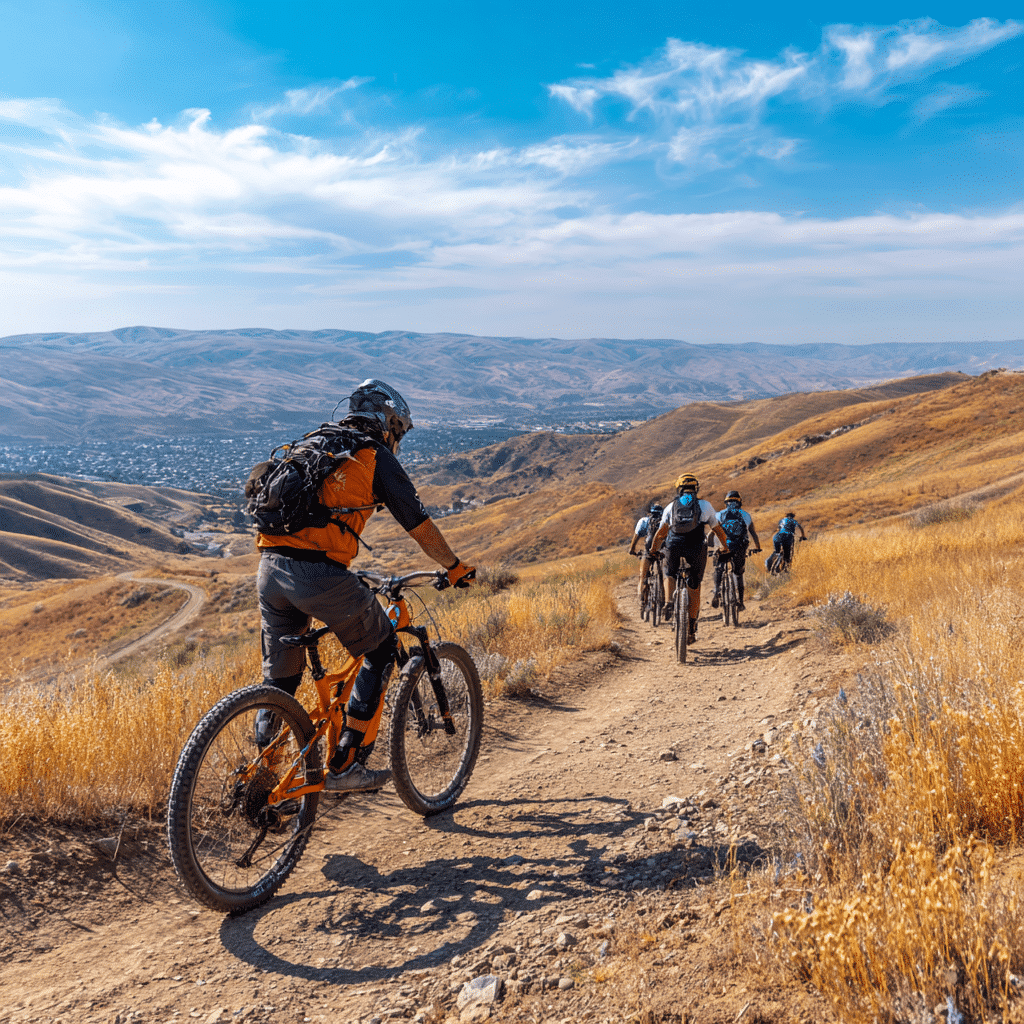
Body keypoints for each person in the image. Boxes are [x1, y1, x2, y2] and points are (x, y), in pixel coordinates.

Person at [255, 379, 475, 793]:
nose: (398, 440)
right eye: (399, 432)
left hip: (269, 570)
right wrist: (454, 565)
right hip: (318, 575)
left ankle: (264, 778)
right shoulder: (372, 455)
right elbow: (418, 524)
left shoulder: (315, 444)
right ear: (389, 423)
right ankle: (346, 766)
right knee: (381, 650)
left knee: (280, 681)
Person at [650, 474, 731, 645]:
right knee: (694, 586)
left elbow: (661, 533)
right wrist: (725, 547)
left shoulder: (671, 506)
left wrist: (653, 550)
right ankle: (692, 625)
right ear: (696, 488)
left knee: (669, 572)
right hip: (696, 547)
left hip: (674, 545)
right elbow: (718, 530)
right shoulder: (705, 505)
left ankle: (669, 602)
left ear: (678, 489)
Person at [711, 490, 761, 611]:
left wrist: (710, 547)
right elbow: (753, 533)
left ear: (726, 503)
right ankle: (741, 602)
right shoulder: (746, 515)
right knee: (739, 573)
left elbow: (712, 533)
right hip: (740, 546)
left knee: (719, 567)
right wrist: (758, 547)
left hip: (724, 546)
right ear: (740, 503)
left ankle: (717, 589)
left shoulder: (719, 515)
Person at [627, 502, 664, 599]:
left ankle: (642, 597)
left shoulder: (644, 521)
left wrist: (632, 550)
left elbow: (636, 537)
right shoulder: (665, 521)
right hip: (662, 552)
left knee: (642, 575)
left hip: (648, 552)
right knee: (667, 575)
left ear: (650, 513)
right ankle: (665, 599)